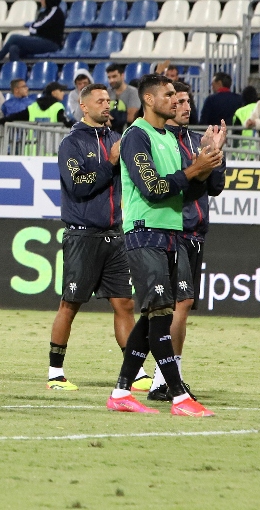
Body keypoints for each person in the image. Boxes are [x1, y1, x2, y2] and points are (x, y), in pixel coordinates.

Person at [107, 74, 221, 417]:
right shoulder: (136, 136)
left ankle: (121, 392)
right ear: (150, 100)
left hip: (172, 233)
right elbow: (152, 188)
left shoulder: (169, 138)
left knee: (156, 313)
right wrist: (193, 170)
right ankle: (178, 396)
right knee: (160, 313)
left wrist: (208, 162)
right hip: (145, 232)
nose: (176, 100)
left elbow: (192, 192)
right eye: (169, 95)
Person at [46, 83, 140, 391]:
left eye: (109, 101)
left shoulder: (116, 138)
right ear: (84, 107)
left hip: (115, 235)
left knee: (124, 303)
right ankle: (54, 373)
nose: (107, 105)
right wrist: (109, 163)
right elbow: (78, 185)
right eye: (100, 101)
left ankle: (135, 372)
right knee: (70, 304)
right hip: (83, 236)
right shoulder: (71, 143)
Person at [148, 83, 226, 402]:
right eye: (178, 101)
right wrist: (201, 161)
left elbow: (216, 187)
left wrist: (214, 153)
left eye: (188, 101)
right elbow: (176, 187)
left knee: (181, 309)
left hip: (196, 233)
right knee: (175, 307)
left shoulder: (196, 140)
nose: (185, 107)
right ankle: (164, 379)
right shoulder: (160, 143)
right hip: (172, 231)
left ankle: (164, 377)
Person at [0, 0, 66, 62]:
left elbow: (36, 26)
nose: (41, 0)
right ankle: (19, 70)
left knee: (14, 38)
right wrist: (35, 29)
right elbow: (33, 28)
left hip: (51, 44)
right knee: (13, 48)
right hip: (40, 41)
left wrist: (35, 29)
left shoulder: (56, 12)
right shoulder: (44, 12)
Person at [0, 82, 72, 127]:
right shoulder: (58, 107)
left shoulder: (33, 106)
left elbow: (15, 117)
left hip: (32, 148)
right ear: (53, 93)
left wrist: (1, 121)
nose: (63, 93)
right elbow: (68, 122)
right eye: (61, 90)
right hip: (50, 150)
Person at [106, 63, 140, 132]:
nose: (111, 80)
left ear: (122, 75)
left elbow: (131, 117)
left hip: (127, 132)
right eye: (109, 77)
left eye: (114, 76)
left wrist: (108, 117)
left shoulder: (133, 92)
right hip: (109, 132)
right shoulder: (107, 92)